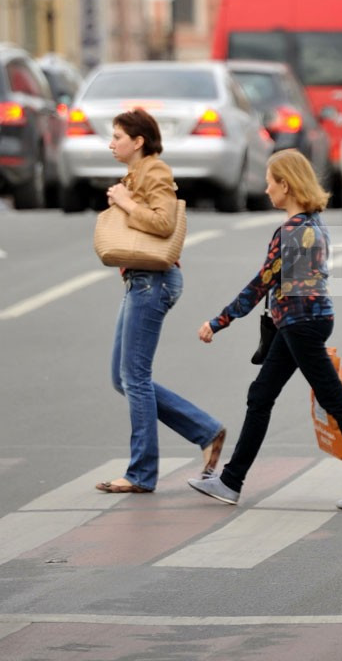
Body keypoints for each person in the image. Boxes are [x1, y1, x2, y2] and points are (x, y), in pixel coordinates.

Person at [188, 149, 342, 509]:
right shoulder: (314, 224)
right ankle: (231, 481)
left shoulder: (291, 232)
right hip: (304, 320)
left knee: (334, 401)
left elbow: (261, 283)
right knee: (261, 396)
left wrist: (219, 321)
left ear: (285, 185)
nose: (266, 190)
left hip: (301, 323)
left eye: (270, 183)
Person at [96, 108, 226, 494]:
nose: (111, 144)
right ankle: (206, 430)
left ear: (138, 141)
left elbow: (164, 223)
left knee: (134, 378)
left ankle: (141, 473)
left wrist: (125, 202)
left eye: (118, 137)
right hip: (140, 280)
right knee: (122, 378)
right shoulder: (137, 173)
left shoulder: (155, 171)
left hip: (153, 282)